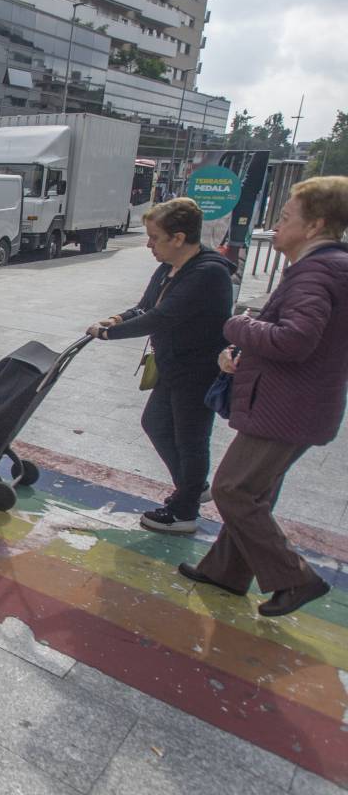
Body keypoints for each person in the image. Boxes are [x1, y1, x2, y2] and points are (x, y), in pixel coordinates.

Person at [180, 177, 348, 617]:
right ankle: (226, 571)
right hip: (300, 405)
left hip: (285, 408)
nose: (275, 226)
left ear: (315, 227)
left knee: (233, 489)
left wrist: (238, 325)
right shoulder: (331, 267)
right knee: (254, 491)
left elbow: (295, 341)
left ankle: (296, 579)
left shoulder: (315, 271)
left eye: (286, 217)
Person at [87, 198, 233, 534]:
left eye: (155, 237)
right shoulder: (169, 267)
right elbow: (146, 306)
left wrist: (110, 334)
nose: (149, 244)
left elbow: (162, 317)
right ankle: (192, 486)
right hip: (172, 365)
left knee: (190, 438)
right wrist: (118, 317)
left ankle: (184, 510)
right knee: (156, 423)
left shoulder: (208, 273)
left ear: (179, 238)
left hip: (197, 370)